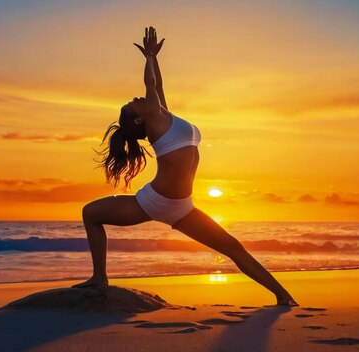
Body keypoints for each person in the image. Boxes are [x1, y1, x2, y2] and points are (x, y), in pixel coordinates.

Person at [73, 26, 298, 306]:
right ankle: (99, 277)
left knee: (232, 247)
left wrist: (155, 60)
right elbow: (151, 86)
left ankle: (284, 297)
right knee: (90, 213)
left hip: (183, 207)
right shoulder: (154, 117)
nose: (138, 99)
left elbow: (159, 87)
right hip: (154, 201)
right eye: (134, 104)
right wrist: (149, 57)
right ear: (139, 119)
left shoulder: (163, 114)